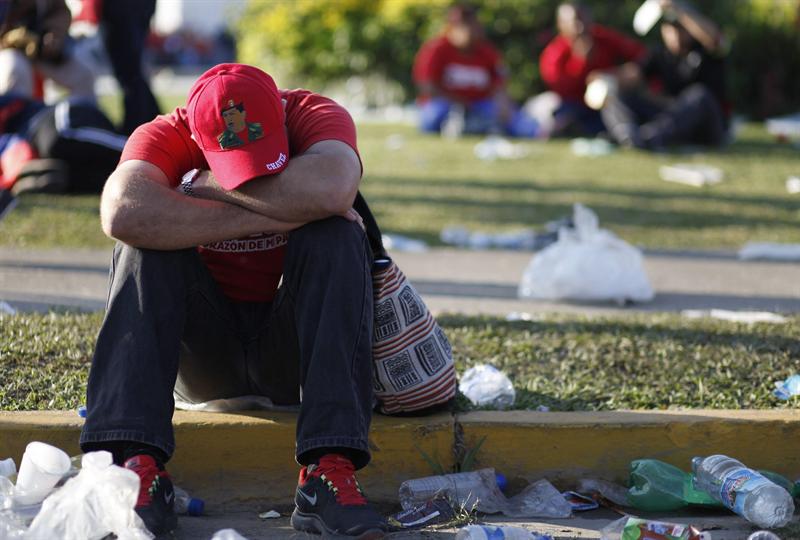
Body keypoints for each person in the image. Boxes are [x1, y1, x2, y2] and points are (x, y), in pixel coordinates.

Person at [79, 63, 388, 538]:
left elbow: (331, 188)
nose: (247, 179)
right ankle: (134, 466)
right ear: (195, 135)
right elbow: (122, 212)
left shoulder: (315, 114)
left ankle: (329, 470)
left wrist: (201, 187)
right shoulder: (164, 132)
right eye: (232, 167)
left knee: (337, 237)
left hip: (294, 354)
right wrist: (278, 215)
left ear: (283, 117)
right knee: (142, 248)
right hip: (205, 356)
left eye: (261, 164)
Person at [599, 0, 728, 149]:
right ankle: (629, 136)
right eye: (671, 29)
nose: (676, 35)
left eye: (681, 29)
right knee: (614, 93)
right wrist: (604, 78)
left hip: (707, 127)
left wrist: (678, 9)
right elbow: (633, 74)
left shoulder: (706, 50)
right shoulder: (659, 53)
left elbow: (716, 40)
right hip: (672, 120)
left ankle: (651, 136)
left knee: (699, 95)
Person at [412, 3, 537, 137]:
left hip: (480, 103)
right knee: (432, 118)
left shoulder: (486, 51)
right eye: (463, 26)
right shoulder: (436, 49)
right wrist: (461, 102)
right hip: (447, 104)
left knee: (515, 120)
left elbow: (500, 83)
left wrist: (502, 102)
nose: (470, 31)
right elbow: (427, 87)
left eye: (472, 25)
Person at [537, 1, 646, 137]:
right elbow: (560, 87)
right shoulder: (554, 53)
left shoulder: (603, 37)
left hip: (610, 103)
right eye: (575, 21)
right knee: (564, 119)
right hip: (575, 107)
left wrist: (616, 74)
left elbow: (642, 56)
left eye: (583, 19)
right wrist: (582, 63)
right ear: (561, 25)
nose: (581, 27)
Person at [0, 93, 125, 195]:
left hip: (52, 119)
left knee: (57, 141)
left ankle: (138, 151)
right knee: (60, 175)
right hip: (44, 154)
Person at [72, 0, 161, 135]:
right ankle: (153, 120)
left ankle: (135, 126)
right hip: (138, 7)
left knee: (129, 74)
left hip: (119, 9)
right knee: (132, 72)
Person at [0, 0, 95, 100]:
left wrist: (53, 32)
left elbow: (61, 11)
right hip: (7, 51)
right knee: (15, 72)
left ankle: (80, 115)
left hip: (40, 49)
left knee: (83, 77)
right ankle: (19, 115)